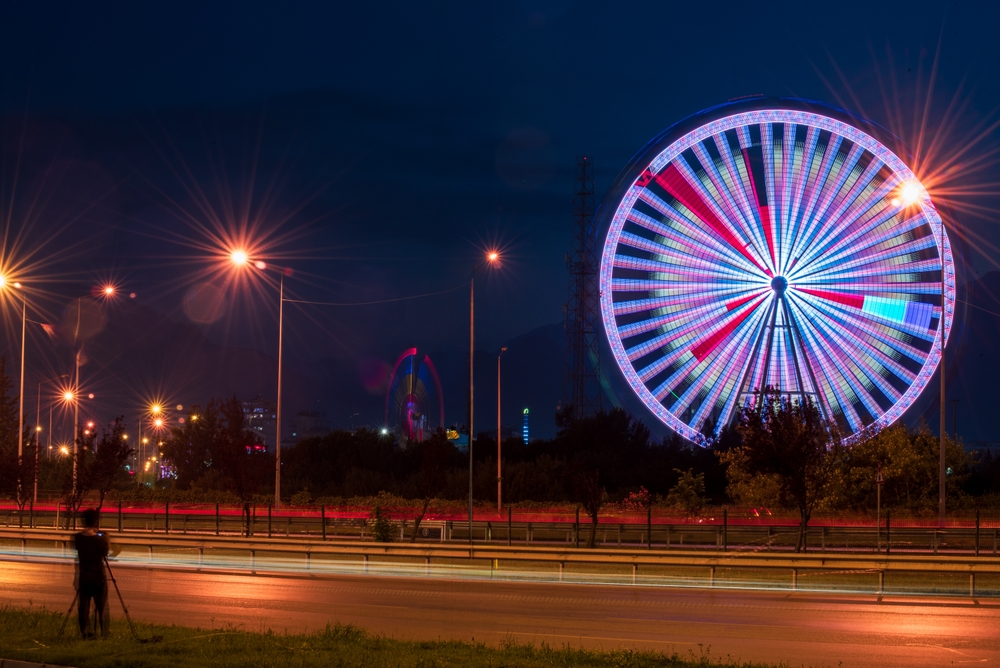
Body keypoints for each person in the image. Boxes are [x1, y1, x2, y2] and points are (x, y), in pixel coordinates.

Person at [73, 508, 110, 638]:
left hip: (84, 576)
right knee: (102, 606)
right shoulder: (100, 539)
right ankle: (104, 633)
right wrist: (106, 539)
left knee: (83, 606)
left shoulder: (78, 537)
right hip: (98, 576)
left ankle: (85, 632)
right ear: (95, 521)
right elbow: (105, 553)